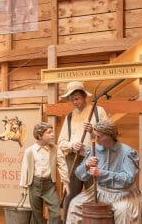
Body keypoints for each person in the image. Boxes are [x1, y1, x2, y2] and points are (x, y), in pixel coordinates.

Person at [66, 120, 142, 224]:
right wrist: (86, 165)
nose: (96, 139)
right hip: (99, 191)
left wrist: (101, 173)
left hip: (123, 193)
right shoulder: (94, 149)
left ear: (110, 136)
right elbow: (80, 176)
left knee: (123, 212)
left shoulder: (126, 152)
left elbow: (128, 179)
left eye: (99, 136)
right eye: (95, 135)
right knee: (75, 204)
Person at [57, 81, 108, 219]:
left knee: (94, 194)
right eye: (72, 99)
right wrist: (72, 145)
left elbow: (109, 136)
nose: (75, 102)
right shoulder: (69, 117)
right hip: (74, 160)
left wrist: (93, 130)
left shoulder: (98, 111)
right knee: (70, 195)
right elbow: (61, 143)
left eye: (77, 98)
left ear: (84, 96)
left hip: (93, 159)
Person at [19, 122, 70, 224]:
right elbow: (25, 169)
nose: (52, 134)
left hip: (49, 185)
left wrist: (65, 182)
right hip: (34, 184)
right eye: (49, 132)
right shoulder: (30, 151)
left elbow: (62, 165)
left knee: (55, 213)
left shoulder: (55, 149)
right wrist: (23, 187)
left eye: (52, 132)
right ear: (39, 135)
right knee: (37, 214)